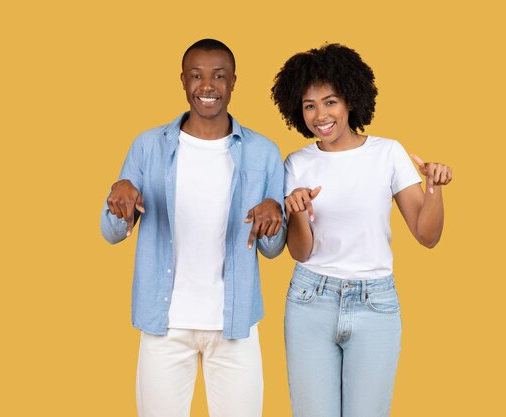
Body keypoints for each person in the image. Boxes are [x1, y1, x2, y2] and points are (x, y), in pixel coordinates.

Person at [100, 38, 285, 417]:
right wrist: (117, 200)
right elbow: (112, 232)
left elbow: (273, 248)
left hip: (235, 324)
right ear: (183, 81)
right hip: (164, 324)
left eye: (219, 76)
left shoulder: (263, 152)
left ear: (233, 82)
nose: (207, 86)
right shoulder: (148, 146)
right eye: (197, 75)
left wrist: (275, 216)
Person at [271, 43, 453, 417]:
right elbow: (300, 252)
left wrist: (432, 188)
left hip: (376, 304)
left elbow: (426, 235)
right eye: (309, 105)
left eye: (330, 101)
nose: (320, 115)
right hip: (310, 301)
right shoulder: (296, 164)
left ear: (351, 101)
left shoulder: (388, 154)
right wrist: (299, 210)